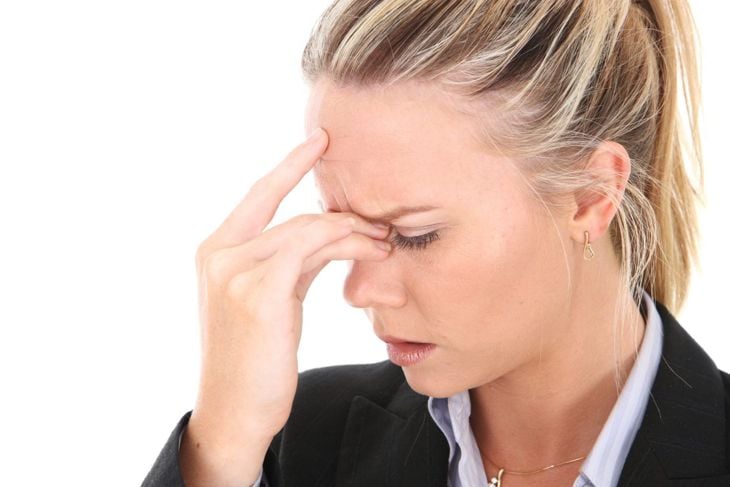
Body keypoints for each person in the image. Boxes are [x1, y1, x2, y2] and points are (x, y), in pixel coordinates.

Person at [142, 0, 730, 486]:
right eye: (344, 226)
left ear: (590, 195)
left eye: (416, 235)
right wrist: (221, 445)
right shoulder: (291, 448)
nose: (359, 290)